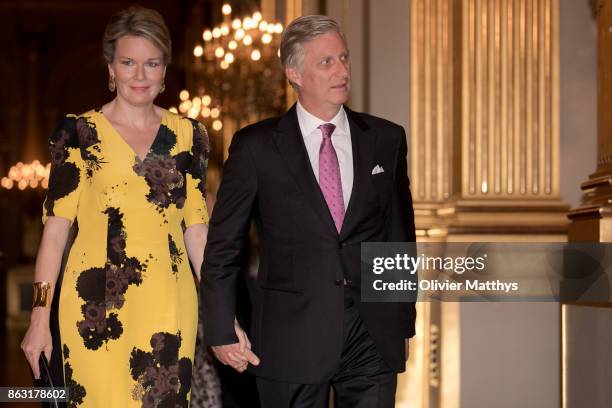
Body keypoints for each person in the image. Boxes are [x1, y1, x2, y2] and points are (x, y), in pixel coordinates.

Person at [201, 14, 417, 408]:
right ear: (294, 72)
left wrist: (401, 321)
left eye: (344, 58)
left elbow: (398, 237)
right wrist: (219, 327)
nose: (342, 70)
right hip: (289, 338)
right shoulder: (256, 147)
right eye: (327, 62)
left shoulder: (386, 139)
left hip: (371, 335)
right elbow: (223, 246)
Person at [21, 7, 210, 407]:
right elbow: (54, 235)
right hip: (95, 309)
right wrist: (39, 317)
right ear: (111, 67)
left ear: (164, 70)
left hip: (169, 303)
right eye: (128, 62)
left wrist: (223, 309)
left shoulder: (190, 135)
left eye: (151, 63)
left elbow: (197, 231)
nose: (139, 75)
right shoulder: (77, 134)